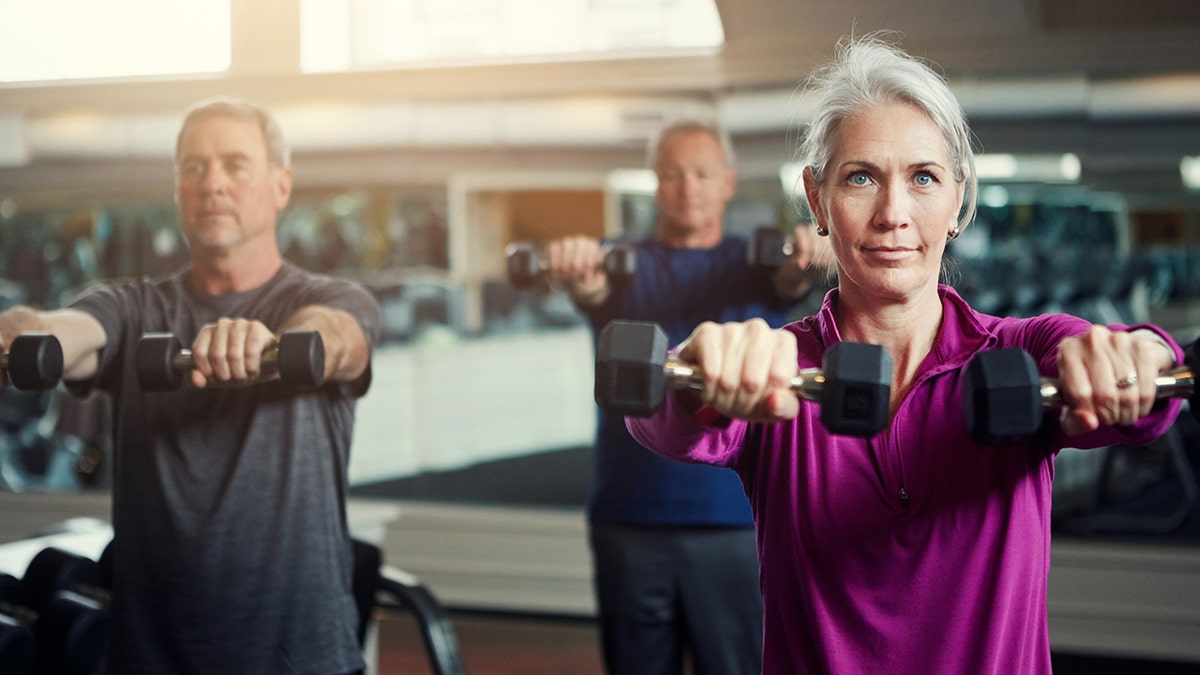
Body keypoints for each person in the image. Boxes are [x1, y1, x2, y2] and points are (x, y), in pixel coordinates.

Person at [624, 34, 1183, 675]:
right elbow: (662, 419)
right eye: (861, 177)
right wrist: (704, 368)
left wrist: (1136, 356)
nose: (894, 213)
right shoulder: (781, 370)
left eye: (923, 178)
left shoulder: (1019, 353)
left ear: (956, 204)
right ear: (818, 200)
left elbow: (1126, 387)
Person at [0, 97, 381, 674]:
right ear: (177, 188)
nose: (213, 184)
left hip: (300, 660)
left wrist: (270, 348)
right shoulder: (132, 308)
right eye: (193, 168)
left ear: (281, 185)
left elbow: (337, 341)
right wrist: (24, 331)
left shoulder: (327, 301)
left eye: (235, 164)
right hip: (150, 661)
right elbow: (71, 333)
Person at [543, 120, 828, 675]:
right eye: (672, 174)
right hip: (628, 512)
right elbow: (591, 287)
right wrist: (575, 267)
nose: (687, 187)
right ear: (656, 182)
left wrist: (812, 251)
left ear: (727, 181)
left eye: (701, 173)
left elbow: (792, 281)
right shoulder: (618, 262)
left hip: (732, 518)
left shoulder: (756, 262)